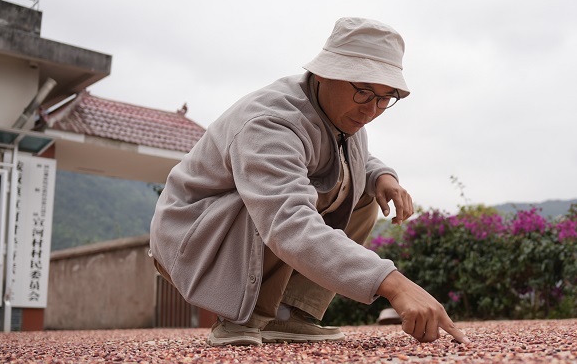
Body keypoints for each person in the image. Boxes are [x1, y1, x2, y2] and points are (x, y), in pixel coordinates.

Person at [150, 17, 469, 347]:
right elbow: (288, 220)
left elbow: (347, 158)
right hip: (192, 235)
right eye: (363, 91)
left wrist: (381, 177)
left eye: (386, 97)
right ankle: (244, 317)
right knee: (277, 202)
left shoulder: (341, 114)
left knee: (360, 192)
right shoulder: (270, 122)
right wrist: (392, 283)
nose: (372, 109)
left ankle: (290, 314)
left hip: (243, 223)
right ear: (324, 74)